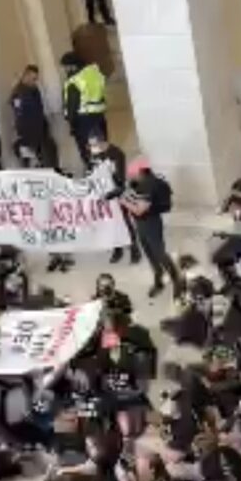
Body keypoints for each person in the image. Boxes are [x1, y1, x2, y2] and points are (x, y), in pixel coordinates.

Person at [121, 158, 183, 298]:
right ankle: (158, 279)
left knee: (159, 253)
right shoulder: (142, 182)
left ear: (141, 172)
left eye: (132, 173)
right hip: (142, 223)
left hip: (150, 223)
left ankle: (177, 281)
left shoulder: (149, 185)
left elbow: (139, 210)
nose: (130, 176)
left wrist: (123, 199)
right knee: (149, 252)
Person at [88, 132, 140, 265]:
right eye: (91, 145)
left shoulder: (117, 154)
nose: (92, 147)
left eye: (95, 144)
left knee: (124, 221)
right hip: (103, 192)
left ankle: (134, 249)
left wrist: (110, 183)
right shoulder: (94, 153)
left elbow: (120, 178)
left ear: (103, 142)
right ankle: (117, 249)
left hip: (116, 192)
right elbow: (93, 170)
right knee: (109, 222)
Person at [61, 51, 107, 165]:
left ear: (72, 66)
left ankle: (92, 169)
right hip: (99, 115)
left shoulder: (75, 81)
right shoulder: (95, 73)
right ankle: (104, 166)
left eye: (65, 67)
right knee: (100, 144)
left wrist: (71, 123)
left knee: (87, 148)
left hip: (83, 119)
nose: (65, 70)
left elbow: (72, 106)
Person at [9, 64, 58, 168]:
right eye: (32, 78)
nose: (34, 81)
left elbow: (38, 108)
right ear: (25, 76)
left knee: (50, 153)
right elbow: (20, 114)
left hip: (40, 127)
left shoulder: (34, 89)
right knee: (39, 157)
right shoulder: (18, 93)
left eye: (35, 79)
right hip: (29, 130)